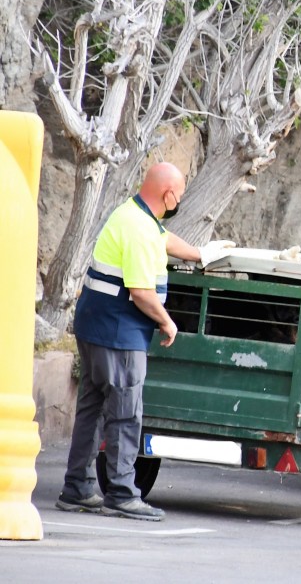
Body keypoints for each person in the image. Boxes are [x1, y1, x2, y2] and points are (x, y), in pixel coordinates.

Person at [56, 162, 203, 522]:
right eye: (180, 194)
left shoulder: (133, 214)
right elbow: (140, 292)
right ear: (168, 194)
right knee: (124, 414)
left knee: (91, 410)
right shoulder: (139, 229)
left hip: (95, 326)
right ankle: (122, 492)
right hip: (119, 332)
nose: (179, 199)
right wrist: (168, 322)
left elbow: (163, 239)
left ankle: (77, 487)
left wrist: (202, 255)